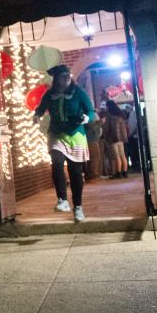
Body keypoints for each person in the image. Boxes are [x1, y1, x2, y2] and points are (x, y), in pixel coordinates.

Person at [33, 65, 95, 222]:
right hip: (56, 133)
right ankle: (62, 200)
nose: (67, 78)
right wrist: (37, 116)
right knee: (57, 162)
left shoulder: (78, 92)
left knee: (75, 172)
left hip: (75, 134)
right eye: (63, 76)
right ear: (56, 79)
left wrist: (87, 118)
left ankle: (78, 207)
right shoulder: (50, 94)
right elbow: (41, 108)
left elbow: (91, 111)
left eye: (68, 75)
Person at [104, 99, 130, 178]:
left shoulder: (109, 116)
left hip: (113, 138)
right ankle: (125, 172)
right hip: (121, 138)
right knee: (123, 155)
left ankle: (118, 173)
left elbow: (106, 128)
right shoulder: (121, 115)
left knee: (117, 156)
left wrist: (106, 136)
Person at [85, 114, 104, 182]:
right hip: (91, 140)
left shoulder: (89, 114)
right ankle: (92, 176)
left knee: (94, 157)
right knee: (94, 157)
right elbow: (92, 127)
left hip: (93, 139)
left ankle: (92, 175)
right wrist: (101, 122)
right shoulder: (87, 115)